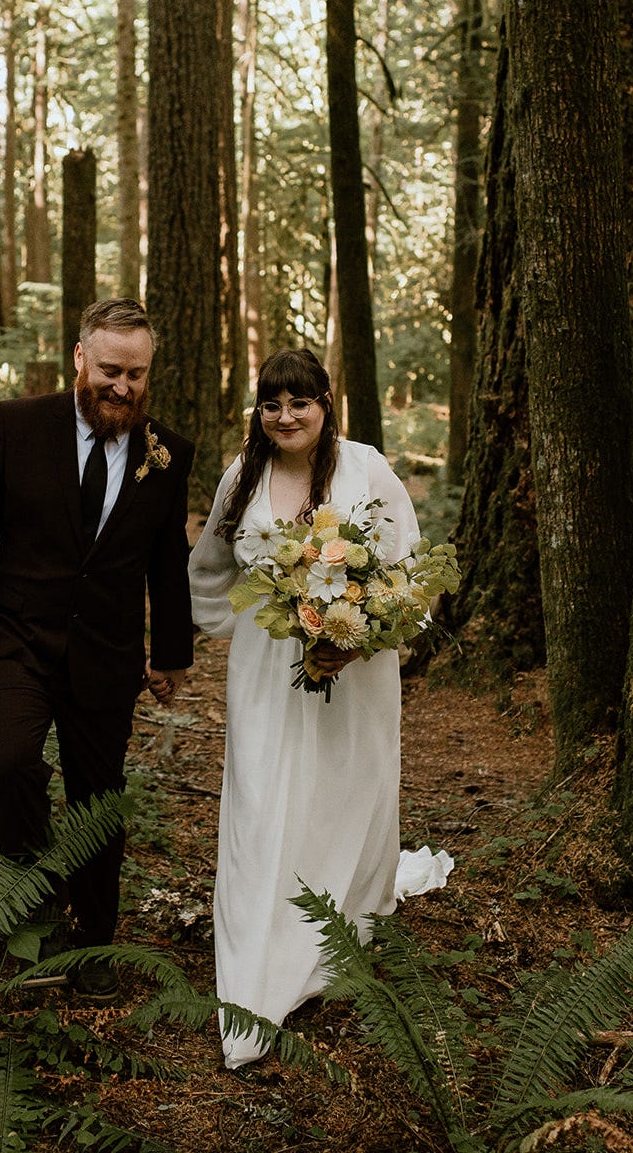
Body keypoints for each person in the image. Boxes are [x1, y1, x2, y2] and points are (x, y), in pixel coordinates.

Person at [188, 348, 451, 1068]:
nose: (285, 417)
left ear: (326, 403)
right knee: (261, 801)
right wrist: (214, 628)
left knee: (344, 792)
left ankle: (341, 932)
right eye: (271, 404)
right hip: (266, 671)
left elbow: (407, 567)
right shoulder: (243, 477)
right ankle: (257, 969)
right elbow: (210, 565)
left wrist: (367, 637)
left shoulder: (367, 468)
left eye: (298, 402)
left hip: (355, 669)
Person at [0, 299, 194, 999]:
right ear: (80, 358)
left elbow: (168, 563)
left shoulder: (167, 453)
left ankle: (94, 943)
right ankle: (35, 888)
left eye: (137, 375)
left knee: (97, 798)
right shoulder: (17, 425)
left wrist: (170, 653)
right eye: (111, 370)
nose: (124, 388)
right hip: (15, 635)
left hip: (105, 653)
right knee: (12, 762)